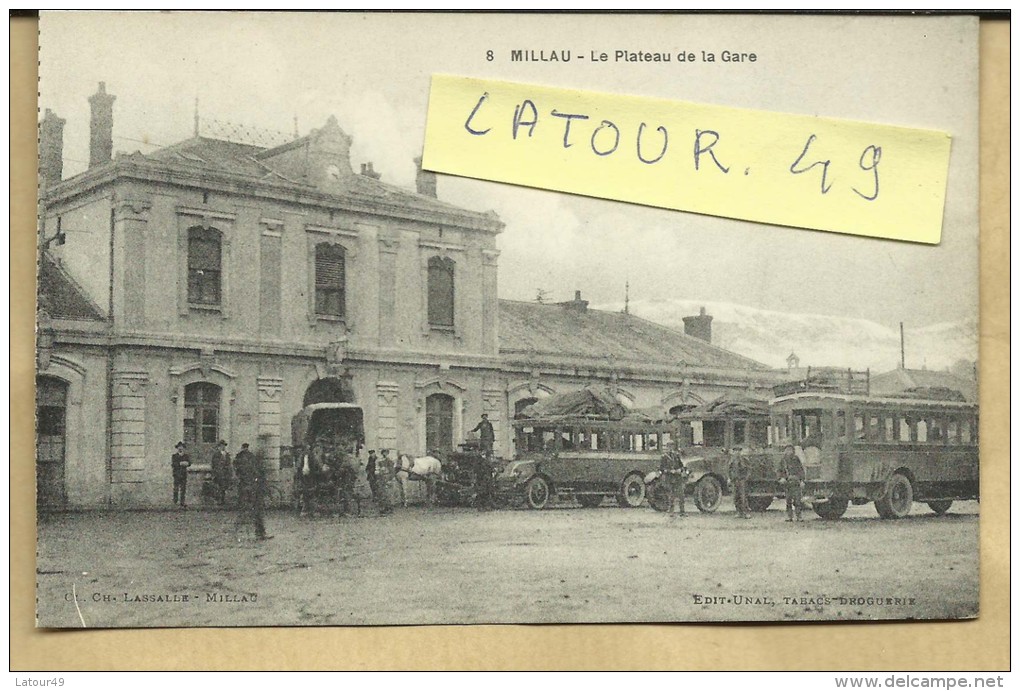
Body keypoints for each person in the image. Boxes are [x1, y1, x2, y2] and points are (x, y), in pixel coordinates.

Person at [234, 442, 271, 540]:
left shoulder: (249, 458)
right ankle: (251, 533)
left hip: (252, 487)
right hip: (251, 487)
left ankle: (256, 532)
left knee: (252, 510)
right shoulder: (246, 459)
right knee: (251, 510)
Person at [659, 441, 689, 518]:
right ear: (667, 447)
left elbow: (681, 466)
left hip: (677, 477)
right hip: (669, 478)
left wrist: (680, 470)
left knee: (681, 495)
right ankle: (671, 512)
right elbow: (661, 468)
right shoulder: (664, 457)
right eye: (669, 447)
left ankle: (682, 511)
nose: (670, 448)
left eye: (671, 446)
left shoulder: (676, 456)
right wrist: (669, 471)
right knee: (671, 496)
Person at [779, 444, 806, 522]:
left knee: (797, 500)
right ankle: (789, 516)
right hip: (787, 483)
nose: (788, 452)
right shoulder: (783, 460)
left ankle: (799, 516)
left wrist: (802, 480)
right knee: (788, 500)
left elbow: (800, 470)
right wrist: (781, 478)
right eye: (787, 450)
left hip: (796, 482)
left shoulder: (796, 459)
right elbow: (779, 470)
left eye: (790, 450)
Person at [729, 449, 752, 519]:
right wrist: (729, 478)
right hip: (735, 480)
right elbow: (729, 469)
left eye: (738, 451)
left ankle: (746, 512)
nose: (736, 452)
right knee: (736, 497)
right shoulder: (732, 460)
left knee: (743, 497)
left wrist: (746, 478)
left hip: (742, 480)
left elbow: (749, 469)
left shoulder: (744, 459)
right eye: (735, 451)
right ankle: (739, 512)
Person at [210, 439, 232, 505]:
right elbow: (214, 464)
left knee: (224, 487)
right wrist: (215, 472)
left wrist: (229, 471)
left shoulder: (227, 454)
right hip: (218, 473)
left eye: (224, 445)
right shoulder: (216, 454)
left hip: (225, 473)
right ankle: (218, 500)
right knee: (218, 487)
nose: (223, 447)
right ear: (219, 446)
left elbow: (229, 464)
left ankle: (223, 500)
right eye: (221, 445)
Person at [171, 441, 191, 508]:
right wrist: (180, 463)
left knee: (183, 489)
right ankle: (175, 501)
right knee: (176, 488)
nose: (180, 448)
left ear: (183, 448)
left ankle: (182, 502)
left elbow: (189, 463)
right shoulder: (174, 456)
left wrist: (187, 463)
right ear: (177, 448)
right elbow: (173, 464)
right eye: (179, 447)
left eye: (181, 447)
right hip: (176, 474)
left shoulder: (186, 456)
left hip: (183, 474)